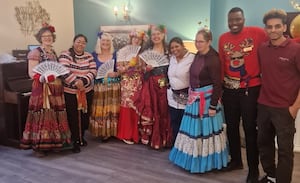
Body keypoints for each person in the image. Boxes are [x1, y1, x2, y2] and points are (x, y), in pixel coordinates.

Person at [218, 7, 268, 183]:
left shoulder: (257, 33)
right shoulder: (223, 38)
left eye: (237, 19)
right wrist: (219, 90)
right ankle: (236, 161)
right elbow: (221, 64)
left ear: (244, 19)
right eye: (231, 20)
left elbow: (279, 39)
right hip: (229, 89)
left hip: (251, 89)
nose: (234, 23)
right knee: (231, 127)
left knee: (249, 129)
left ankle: (253, 170)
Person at [169, 28, 228, 173]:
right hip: (194, 99)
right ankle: (191, 160)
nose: (198, 44)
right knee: (193, 131)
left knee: (205, 132)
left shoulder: (213, 59)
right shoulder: (197, 55)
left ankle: (206, 163)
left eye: (201, 41)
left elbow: (217, 84)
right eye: (196, 41)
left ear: (209, 41)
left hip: (207, 101)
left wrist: (213, 106)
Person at [257, 9, 300, 183]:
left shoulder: (296, 49)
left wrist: (295, 107)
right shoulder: (262, 48)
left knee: (285, 152)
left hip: (285, 109)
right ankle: (271, 177)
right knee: (264, 147)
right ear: (266, 29)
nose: (273, 30)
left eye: (277, 26)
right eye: (269, 27)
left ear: (284, 27)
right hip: (264, 106)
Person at [20, 24, 72, 157]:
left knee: (54, 114)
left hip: (55, 87)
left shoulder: (53, 52)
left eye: (50, 36)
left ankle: (54, 142)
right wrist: (44, 77)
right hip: (42, 87)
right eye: (45, 36)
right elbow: (32, 73)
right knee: (43, 115)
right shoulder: (35, 52)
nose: (48, 38)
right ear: (40, 38)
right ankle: (40, 146)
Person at [133, 24, 172, 149]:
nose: (156, 36)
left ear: (163, 35)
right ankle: (153, 139)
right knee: (152, 109)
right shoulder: (146, 51)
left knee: (164, 110)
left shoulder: (169, 50)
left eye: (158, 34)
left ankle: (165, 138)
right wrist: (146, 68)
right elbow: (140, 70)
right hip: (150, 84)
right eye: (153, 34)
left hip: (164, 84)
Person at [59, 34, 96, 153]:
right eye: (78, 42)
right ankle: (74, 141)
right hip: (71, 92)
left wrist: (83, 81)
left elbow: (93, 71)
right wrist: (75, 82)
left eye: (83, 42)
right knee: (73, 117)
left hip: (86, 91)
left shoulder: (89, 56)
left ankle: (81, 137)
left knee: (85, 116)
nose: (80, 44)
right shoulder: (65, 54)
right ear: (74, 42)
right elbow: (64, 71)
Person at [116, 29, 147, 144]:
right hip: (127, 83)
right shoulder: (123, 51)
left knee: (138, 106)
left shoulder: (142, 53)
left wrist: (146, 67)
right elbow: (119, 70)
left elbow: (143, 69)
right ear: (131, 39)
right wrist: (129, 65)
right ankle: (126, 134)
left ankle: (136, 134)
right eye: (134, 38)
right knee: (127, 106)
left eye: (139, 39)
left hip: (139, 82)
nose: (136, 40)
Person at [89, 32, 120, 142]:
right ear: (99, 42)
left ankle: (112, 132)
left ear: (110, 43)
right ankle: (101, 131)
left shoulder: (116, 55)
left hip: (113, 86)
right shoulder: (93, 55)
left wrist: (116, 74)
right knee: (100, 109)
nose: (105, 43)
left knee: (112, 109)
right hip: (99, 86)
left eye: (108, 41)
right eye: (103, 40)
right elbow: (90, 70)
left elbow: (120, 70)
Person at [167, 37, 194, 145]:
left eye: (177, 46)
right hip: (172, 97)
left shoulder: (192, 58)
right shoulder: (171, 58)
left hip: (186, 96)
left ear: (182, 46)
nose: (174, 49)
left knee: (185, 124)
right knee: (174, 122)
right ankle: (176, 147)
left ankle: (185, 148)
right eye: (172, 48)